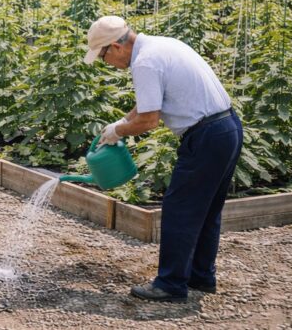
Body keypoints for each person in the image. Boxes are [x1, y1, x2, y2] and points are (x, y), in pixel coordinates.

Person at [84, 15, 242, 303]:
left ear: (116, 46)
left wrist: (119, 131)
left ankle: (170, 285)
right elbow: (148, 102)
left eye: (104, 56)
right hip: (227, 128)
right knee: (206, 210)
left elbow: (149, 120)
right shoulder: (161, 46)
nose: (107, 63)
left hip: (206, 136)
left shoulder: (145, 62)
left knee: (179, 208)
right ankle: (201, 277)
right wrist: (122, 121)